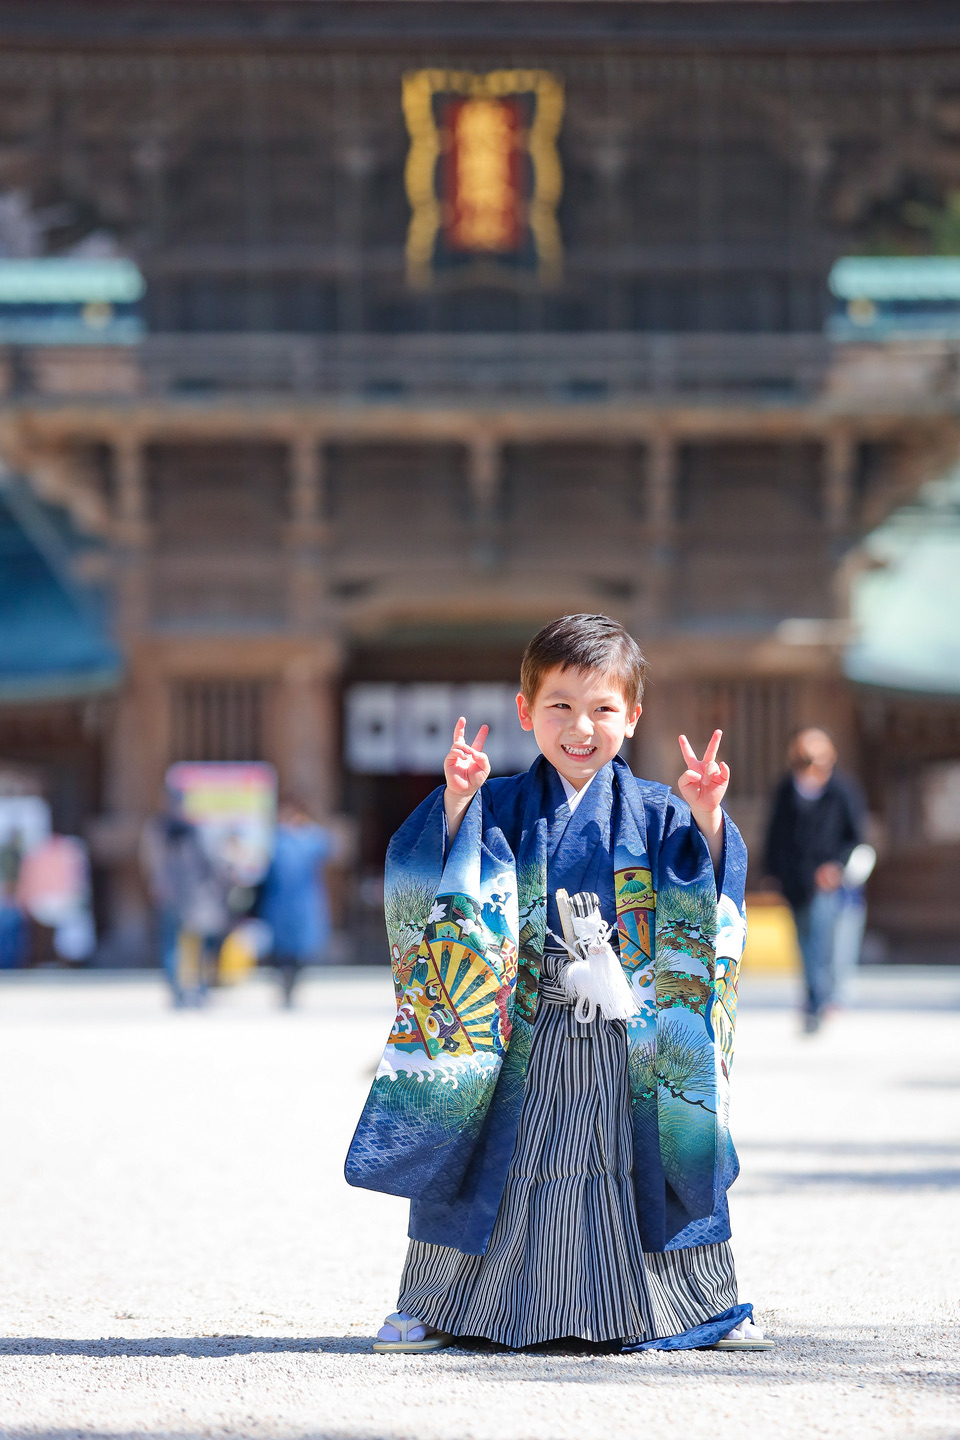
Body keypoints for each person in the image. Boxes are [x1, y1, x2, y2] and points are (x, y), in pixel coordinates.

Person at [345, 614, 771, 1355]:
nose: (582, 728)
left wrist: (705, 822)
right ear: (525, 712)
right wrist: (453, 804)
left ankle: (697, 1305)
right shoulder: (497, 805)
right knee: (498, 1161)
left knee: (652, 1160)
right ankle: (437, 1305)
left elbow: (706, 908)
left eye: (604, 709)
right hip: (518, 1034)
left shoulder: (659, 810)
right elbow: (430, 882)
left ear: (633, 716)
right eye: (561, 707)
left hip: (629, 1039)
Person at [763, 727, 866, 1033]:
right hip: (796, 880)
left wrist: (838, 867)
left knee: (827, 939)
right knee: (804, 941)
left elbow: (855, 837)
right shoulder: (785, 790)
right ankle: (812, 997)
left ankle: (824, 999)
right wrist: (773, 873)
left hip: (829, 883)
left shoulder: (843, 790)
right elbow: (775, 836)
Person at [141, 790, 231, 1007]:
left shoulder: (159, 828)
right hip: (193, 895)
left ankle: (180, 990)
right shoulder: (189, 829)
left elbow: (150, 861)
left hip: (178, 895)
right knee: (193, 943)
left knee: (175, 943)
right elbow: (211, 861)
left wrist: (157, 885)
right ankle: (195, 988)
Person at [258, 796, 334, 1006]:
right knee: (281, 952)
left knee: (301, 951)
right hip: (279, 904)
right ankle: (284, 988)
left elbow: (329, 848)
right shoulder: (276, 839)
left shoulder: (311, 838)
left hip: (304, 904)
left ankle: (292, 988)